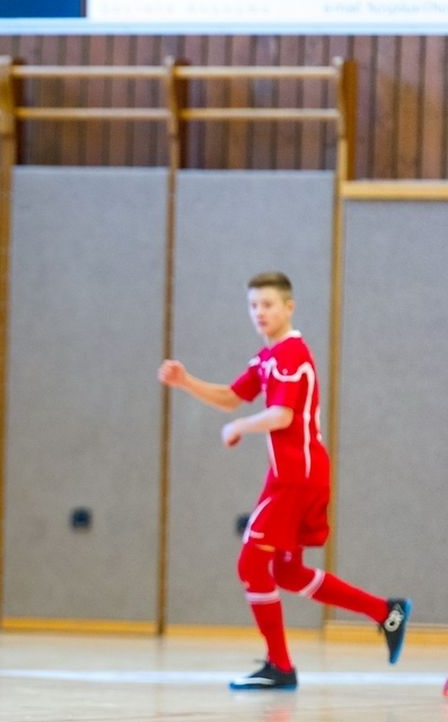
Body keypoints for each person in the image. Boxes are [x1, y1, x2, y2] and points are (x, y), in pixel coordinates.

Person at [158, 271, 409, 690]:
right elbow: (231, 396)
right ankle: (386, 611)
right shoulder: (267, 358)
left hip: (297, 476)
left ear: (289, 307)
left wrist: (240, 428)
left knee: (251, 563)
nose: (259, 313)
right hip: (294, 475)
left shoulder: (292, 354)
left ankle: (281, 666)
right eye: (253, 305)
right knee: (288, 573)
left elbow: (282, 416)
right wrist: (186, 382)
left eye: (268, 305)